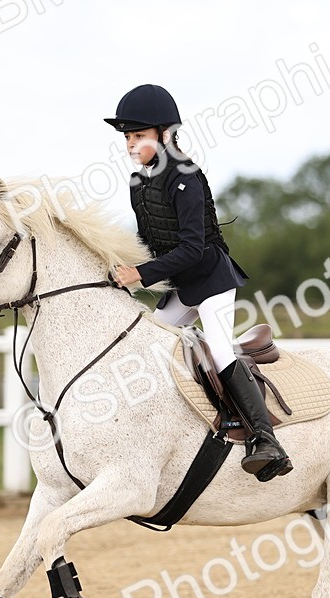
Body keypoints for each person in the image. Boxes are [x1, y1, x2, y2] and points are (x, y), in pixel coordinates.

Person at [107, 84, 292, 482]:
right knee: (147, 349)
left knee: (221, 351)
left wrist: (141, 274)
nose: (129, 144)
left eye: (137, 136)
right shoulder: (139, 184)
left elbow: (193, 249)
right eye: (126, 137)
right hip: (180, 285)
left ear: (165, 134)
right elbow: (148, 244)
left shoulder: (186, 177)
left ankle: (267, 440)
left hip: (210, 278)